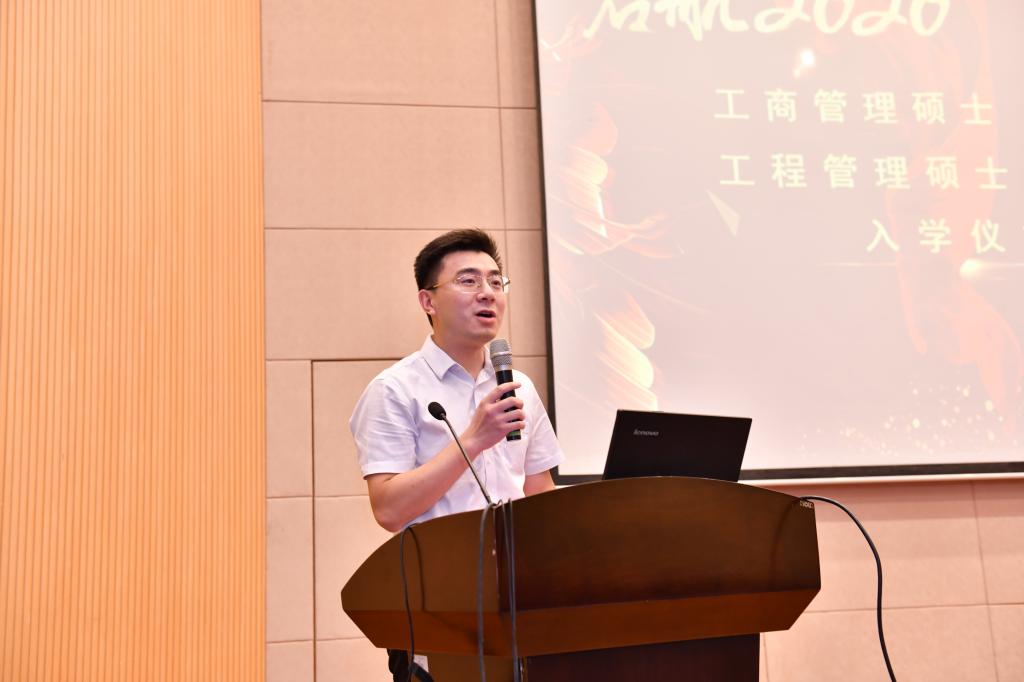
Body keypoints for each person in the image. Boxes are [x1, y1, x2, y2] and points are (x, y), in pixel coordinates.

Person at [349, 229, 564, 681]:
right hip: (438, 610)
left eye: (495, 281)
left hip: (519, 606)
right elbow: (389, 509)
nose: (487, 292)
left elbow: (540, 492)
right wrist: (473, 440)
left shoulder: (519, 387)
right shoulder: (395, 390)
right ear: (428, 301)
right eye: (468, 281)